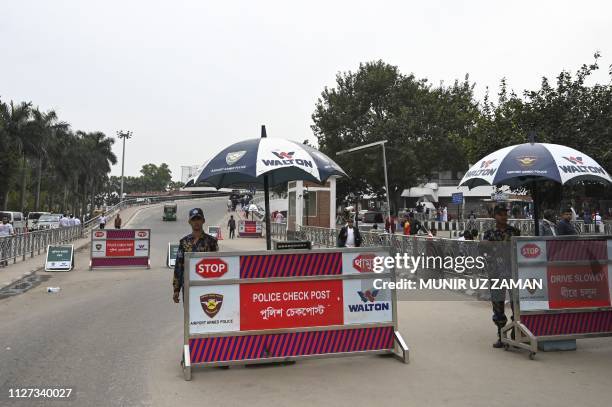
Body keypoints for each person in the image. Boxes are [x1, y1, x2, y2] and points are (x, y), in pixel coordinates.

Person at [483, 205, 520, 348]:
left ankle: (516, 333)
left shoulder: (515, 232)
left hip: (512, 273)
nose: (504, 216)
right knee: (498, 306)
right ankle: (501, 335)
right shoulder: (489, 234)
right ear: (495, 216)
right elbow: (483, 252)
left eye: (505, 214)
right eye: (500, 214)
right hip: (496, 274)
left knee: (516, 304)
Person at [173, 208, 219, 303]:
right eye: (193, 219)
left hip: (206, 286)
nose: (196, 222)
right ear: (190, 222)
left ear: (203, 221)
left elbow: (216, 266)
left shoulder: (211, 242)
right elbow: (179, 266)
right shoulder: (184, 242)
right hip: (188, 286)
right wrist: (176, 289)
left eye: (198, 219)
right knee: (189, 315)